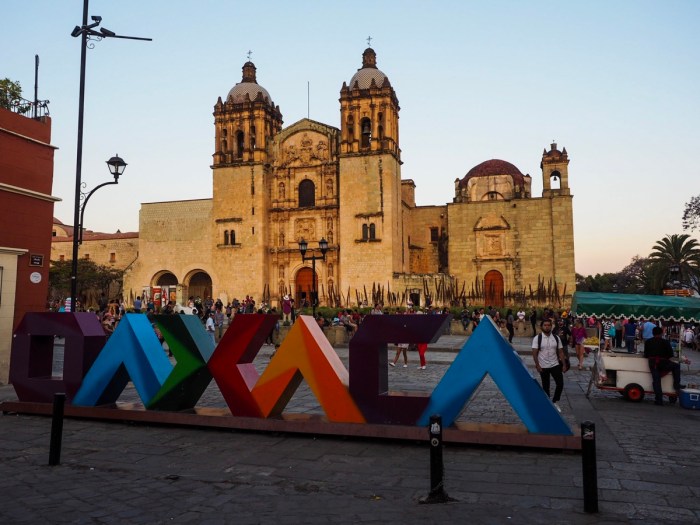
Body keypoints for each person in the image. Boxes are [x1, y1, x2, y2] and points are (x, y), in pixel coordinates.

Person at [532, 319, 568, 412]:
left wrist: (564, 364)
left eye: (549, 325)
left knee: (560, 383)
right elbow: (534, 353)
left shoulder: (556, 338)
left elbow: (560, 351)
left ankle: (555, 401)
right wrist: (537, 365)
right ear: (542, 327)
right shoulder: (537, 338)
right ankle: (547, 405)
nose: (547, 327)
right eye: (545, 325)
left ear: (551, 326)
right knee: (546, 386)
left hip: (555, 364)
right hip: (543, 365)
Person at [644, 326, 684, 405]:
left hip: (652, 363)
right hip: (663, 363)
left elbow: (646, 354)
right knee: (676, 366)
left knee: (656, 381)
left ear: (653, 333)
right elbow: (670, 354)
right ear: (661, 333)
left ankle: (659, 400)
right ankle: (676, 384)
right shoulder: (665, 342)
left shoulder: (648, 341)